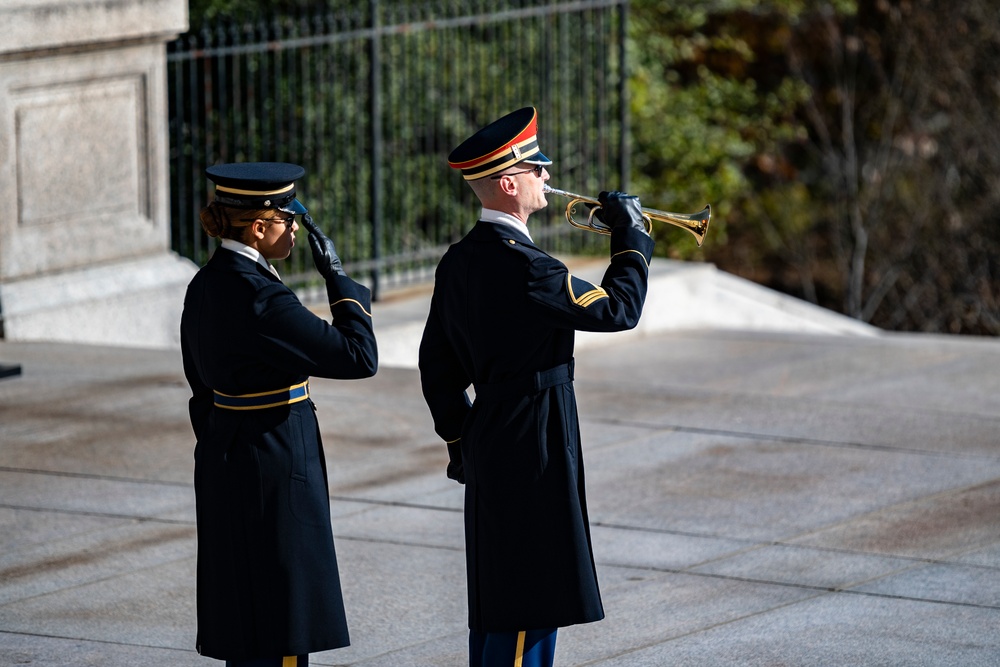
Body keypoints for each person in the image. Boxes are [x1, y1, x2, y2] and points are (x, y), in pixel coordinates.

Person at [418, 107, 655, 667]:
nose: (547, 177)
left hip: (493, 435)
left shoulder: (457, 262)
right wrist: (632, 240)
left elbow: (437, 367)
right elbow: (620, 310)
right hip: (534, 438)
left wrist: (460, 442)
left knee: (503, 597)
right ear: (508, 182)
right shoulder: (529, 268)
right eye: (537, 169)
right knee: (530, 599)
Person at [180, 162, 378, 667]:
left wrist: (228, 437)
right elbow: (359, 358)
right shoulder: (263, 297)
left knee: (247, 614)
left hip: (228, 454)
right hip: (276, 462)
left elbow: (200, 386)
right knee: (284, 618)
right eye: (288, 217)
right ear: (259, 226)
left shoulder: (205, 283)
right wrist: (340, 283)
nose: (295, 228)